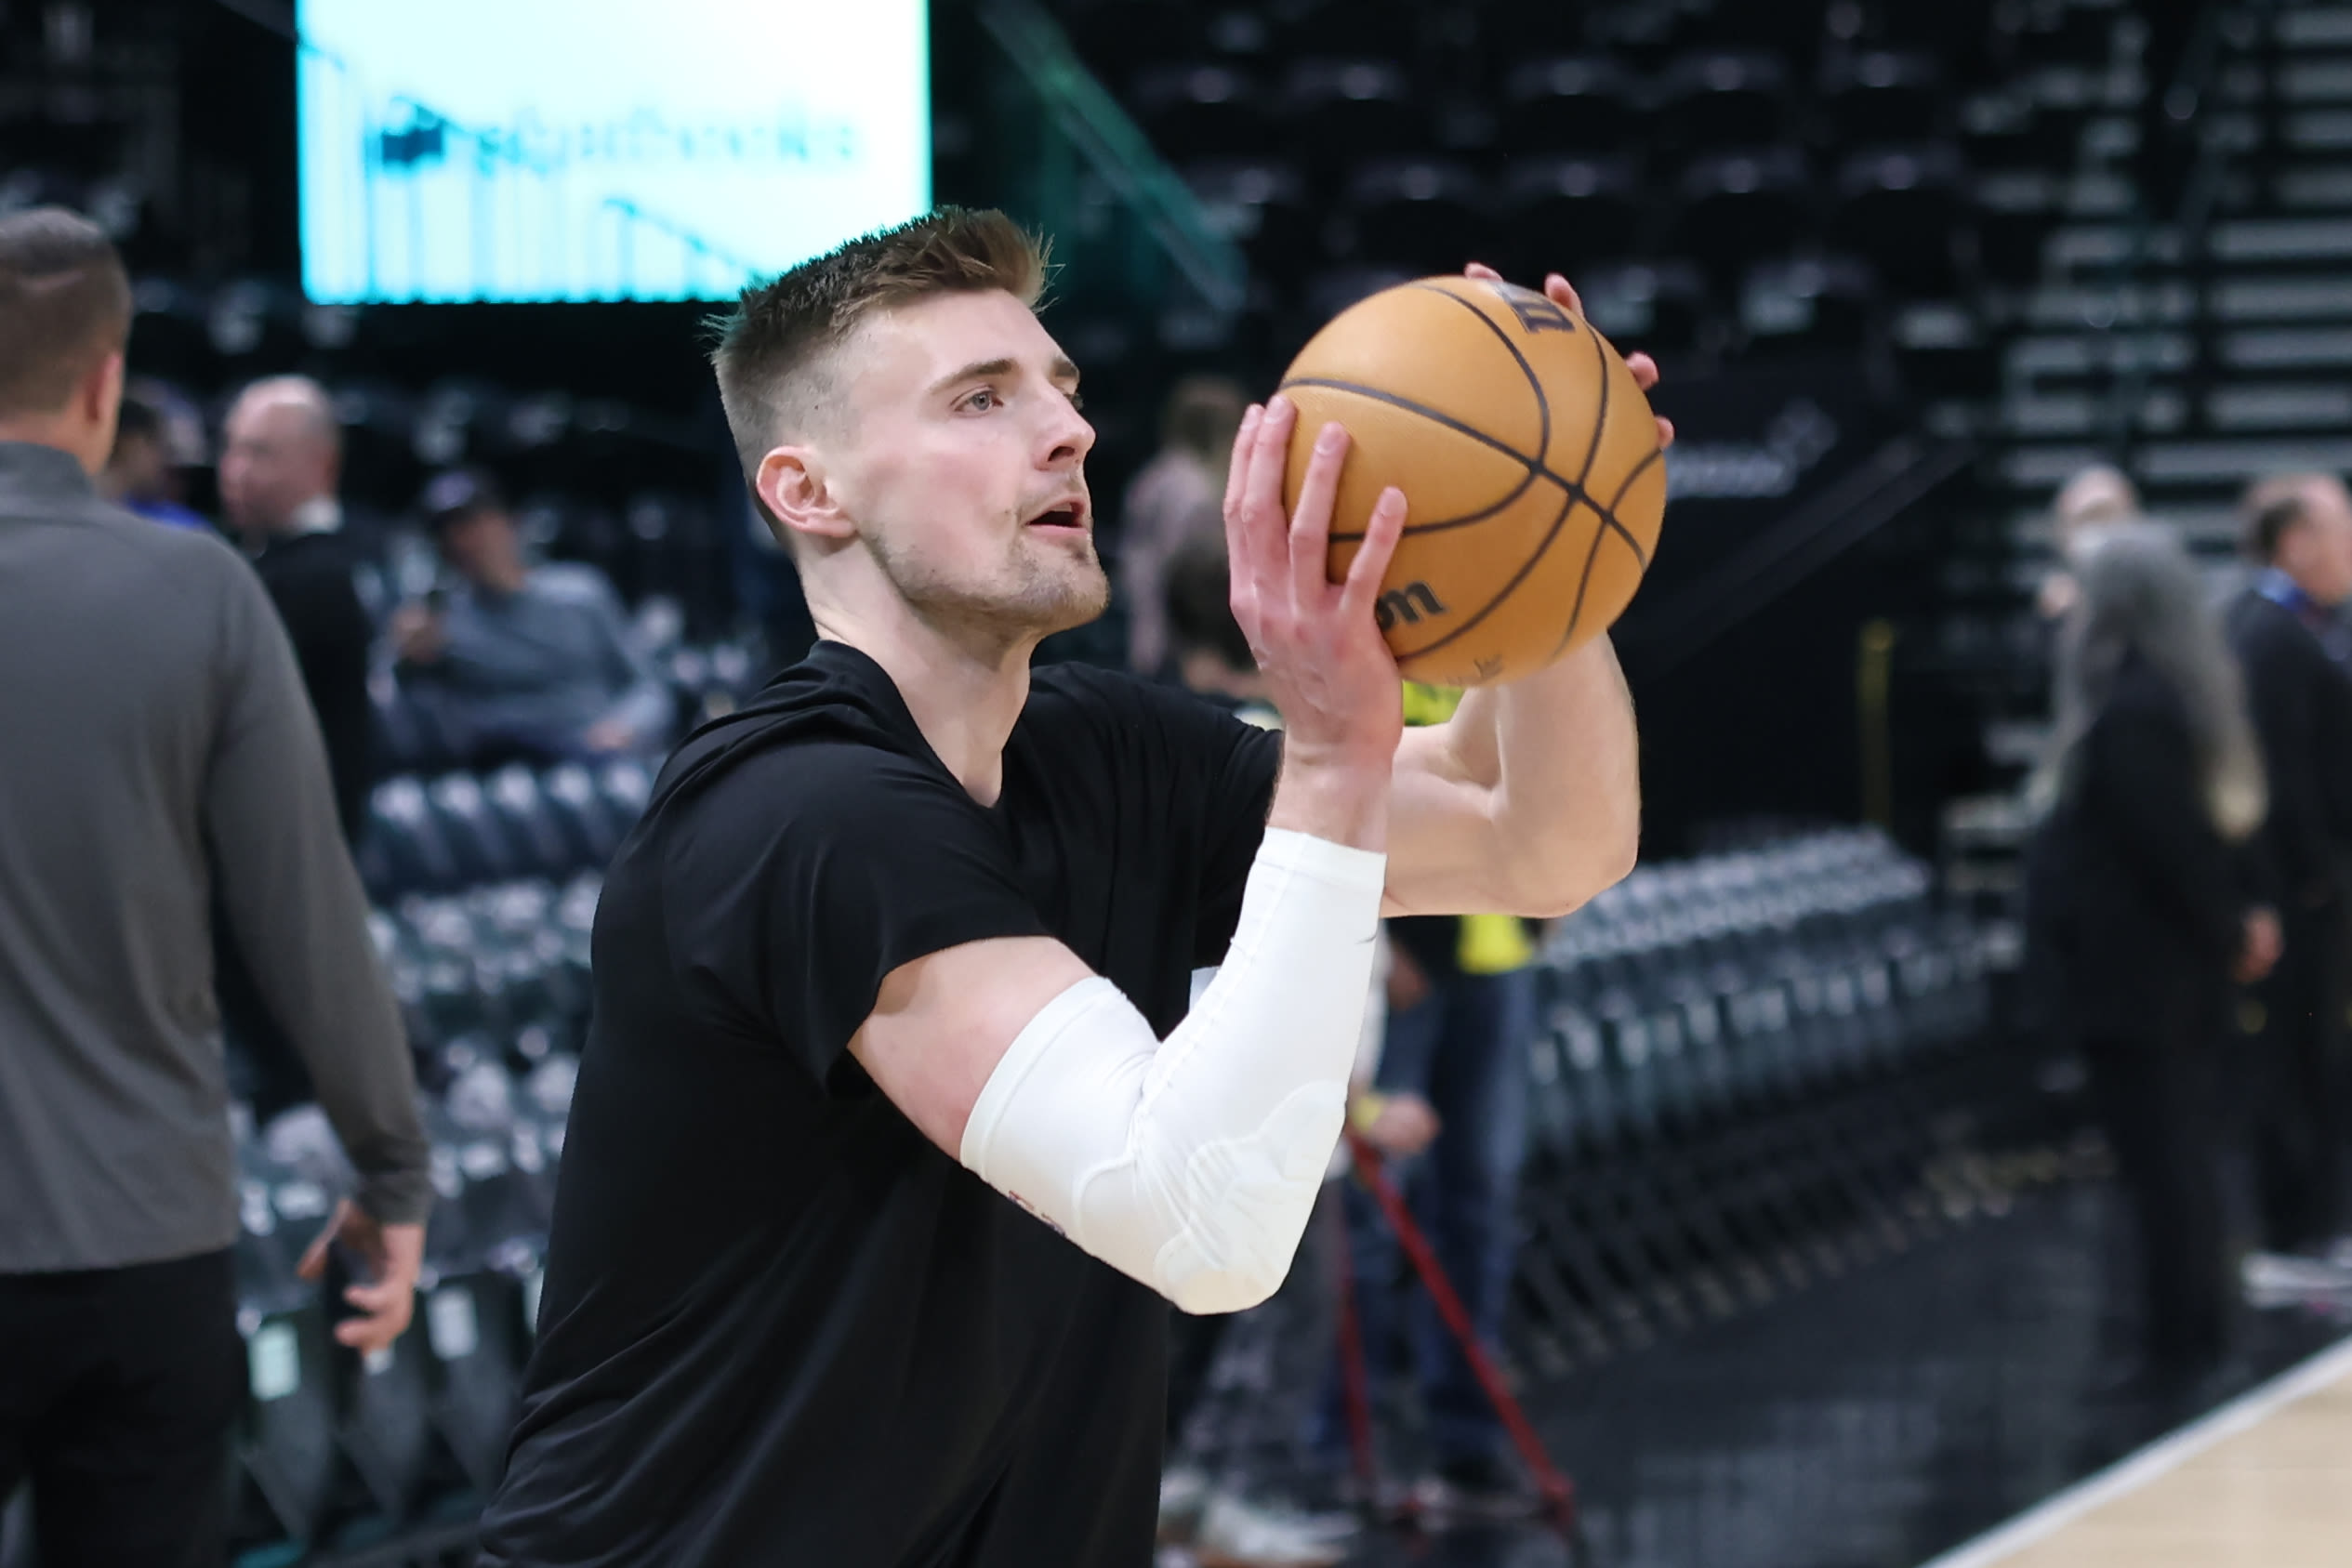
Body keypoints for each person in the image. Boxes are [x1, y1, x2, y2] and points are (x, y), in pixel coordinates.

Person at [475, 209, 1658, 1567]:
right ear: (810, 492)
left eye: (1061, 388)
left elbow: (1542, 837)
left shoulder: (1099, 747)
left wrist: (1556, 537)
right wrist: (1330, 755)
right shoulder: (800, 813)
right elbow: (1200, 1224)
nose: (1066, 430)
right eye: (981, 399)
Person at [0, 207, 429, 1568]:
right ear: (107, 379)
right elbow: (306, 914)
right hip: (146, 1239)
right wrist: (392, 1165)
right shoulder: (203, 590)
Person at [1153, 535, 1441, 1567]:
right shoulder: (1276, 751)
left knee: (1210, 1314)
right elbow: (1304, 951)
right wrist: (1357, 1102)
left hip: (1205, 1079)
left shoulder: (1179, 741)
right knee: (1282, 1311)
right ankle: (1230, 1500)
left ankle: (1185, 1494)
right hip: (1272, 1098)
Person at [2026, 525, 2277, 1389]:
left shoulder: (2133, 706)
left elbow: (2170, 848)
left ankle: (2182, 1340)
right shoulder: (2173, 692)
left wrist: (2229, 926)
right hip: (2166, 976)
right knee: (2179, 1161)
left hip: (2142, 982)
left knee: (2165, 1166)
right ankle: (2192, 1329)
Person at [1331, 679, 1545, 1522]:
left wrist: (1544, 906)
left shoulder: (1513, 623)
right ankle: (1347, 1456)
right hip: (1409, 963)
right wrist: (1386, 942)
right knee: (1367, 1220)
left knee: (1479, 1214)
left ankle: (1466, 1451)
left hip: (1498, 960)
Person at [2225, 474, 2352, 1272]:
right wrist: (2313, 879)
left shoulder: (2297, 629)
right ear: (2294, 541)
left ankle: (2320, 1224)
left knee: (2321, 1061)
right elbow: (2281, 780)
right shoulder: (2267, 634)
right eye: (2339, 531)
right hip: (2296, 892)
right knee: (2298, 1061)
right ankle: (2297, 1232)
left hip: (2311, 886)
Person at [389, 467, 674, 764]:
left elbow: (649, 687)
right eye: (449, 532)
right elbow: (396, 696)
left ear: (509, 523)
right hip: (505, 767)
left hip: (596, 752)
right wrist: (404, 658)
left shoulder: (579, 593)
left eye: (475, 523)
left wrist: (623, 728)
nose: (465, 541)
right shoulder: (444, 623)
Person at [218, 374, 377, 839]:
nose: (235, 471)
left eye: (259, 453)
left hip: (297, 846)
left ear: (321, 466)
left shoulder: (321, 577)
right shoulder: (269, 562)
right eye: (232, 449)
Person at [1119, 374, 1248, 677]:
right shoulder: (1196, 493)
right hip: (1180, 640)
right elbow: (1189, 580)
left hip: (1145, 622)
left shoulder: (1153, 476)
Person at [2036, 463, 2143, 622]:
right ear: (2062, 534)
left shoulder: (2164, 596)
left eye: (2109, 517)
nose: (2101, 533)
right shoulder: (2056, 607)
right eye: (2088, 520)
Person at [99, 385, 208, 531]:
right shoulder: (176, 530)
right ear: (132, 443)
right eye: (160, 447)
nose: (163, 461)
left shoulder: (176, 520)